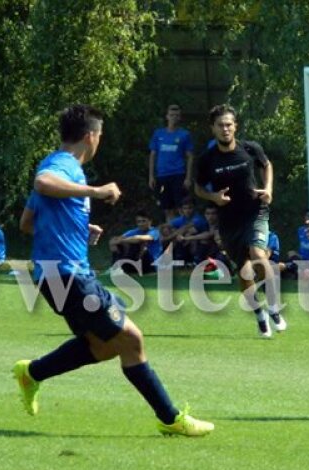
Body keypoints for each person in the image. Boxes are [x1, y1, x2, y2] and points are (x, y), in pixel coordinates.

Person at [11, 103, 213, 436]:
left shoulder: (63, 167)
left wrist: (76, 228)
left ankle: (32, 373)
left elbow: (27, 223)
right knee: (132, 339)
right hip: (69, 275)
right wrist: (96, 191)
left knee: (104, 346)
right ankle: (171, 419)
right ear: (91, 136)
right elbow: (43, 182)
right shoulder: (62, 165)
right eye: (100, 135)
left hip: (56, 276)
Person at [194, 104, 286, 337]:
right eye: (220, 125)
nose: (225, 129)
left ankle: (274, 308)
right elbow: (197, 187)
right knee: (245, 273)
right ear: (212, 128)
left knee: (258, 255)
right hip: (229, 222)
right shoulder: (206, 159)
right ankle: (260, 315)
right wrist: (213, 196)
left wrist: (268, 189)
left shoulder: (250, 149)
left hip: (255, 212)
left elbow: (267, 165)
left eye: (229, 124)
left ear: (235, 126)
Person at [148, 104, 195, 222]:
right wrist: (151, 176)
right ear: (167, 116)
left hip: (178, 174)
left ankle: (184, 235)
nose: (174, 117)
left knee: (181, 206)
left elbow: (190, 156)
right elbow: (153, 155)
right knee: (167, 208)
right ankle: (171, 234)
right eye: (172, 115)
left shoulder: (184, 134)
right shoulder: (158, 134)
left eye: (177, 115)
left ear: (180, 118)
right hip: (162, 176)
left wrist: (188, 178)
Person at [161, 198, 210, 265]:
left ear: (194, 208)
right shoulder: (182, 218)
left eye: (190, 208)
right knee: (170, 230)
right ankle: (178, 259)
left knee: (188, 235)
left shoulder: (198, 218)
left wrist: (167, 238)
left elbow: (186, 228)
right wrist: (165, 231)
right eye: (185, 208)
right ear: (182, 209)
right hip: (185, 241)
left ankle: (195, 259)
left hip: (201, 243)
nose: (187, 210)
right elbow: (165, 225)